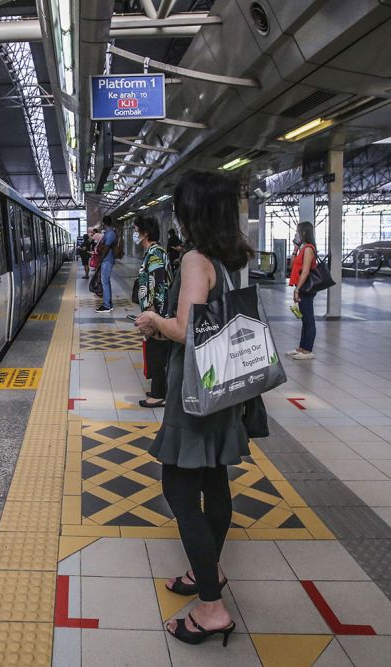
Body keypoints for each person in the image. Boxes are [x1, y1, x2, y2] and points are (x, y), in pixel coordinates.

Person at [135, 170, 253, 648]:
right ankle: (209, 570)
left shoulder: (195, 261)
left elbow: (187, 328)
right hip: (226, 386)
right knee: (214, 480)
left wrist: (153, 321)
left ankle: (210, 608)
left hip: (196, 391)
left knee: (179, 490)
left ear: (193, 213)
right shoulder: (231, 260)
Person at [133, 216, 169, 409]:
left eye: (136, 229)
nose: (134, 233)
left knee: (157, 352)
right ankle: (158, 390)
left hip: (157, 312)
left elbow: (158, 282)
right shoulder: (153, 252)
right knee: (156, 350)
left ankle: (159, 394)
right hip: (154, 311)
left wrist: (153, 312)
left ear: (145, 233)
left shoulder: (155, 253)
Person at [287, 221, 317, 360]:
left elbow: (305, 271)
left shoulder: (309, 249)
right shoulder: (303, 249)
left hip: (305, 288)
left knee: (308, 318)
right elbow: (292, 264)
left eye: (299, 231)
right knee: (304, 318)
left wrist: (297, 290)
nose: (297, 234)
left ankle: (308, 350)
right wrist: (295, 248)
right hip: (301, 287)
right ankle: (302, 347)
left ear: (304, 232)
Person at [95, 216, 118, 313]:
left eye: (102, 223)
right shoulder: (109, 233)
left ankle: (106, 305)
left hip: (107, 261)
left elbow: (106, 248)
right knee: (106, 282)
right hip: (107, 260)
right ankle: (109, 304)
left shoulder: (110, 234)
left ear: (104, 223)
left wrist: (100, 260)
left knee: (105, 283)